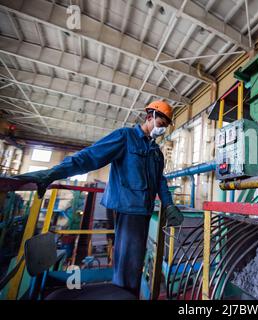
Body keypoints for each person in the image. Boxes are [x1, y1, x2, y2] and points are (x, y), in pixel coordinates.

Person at [15, 100, 184, 296]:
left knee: (133, 262)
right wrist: (53, 173)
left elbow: (160, 181)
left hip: (143, 211)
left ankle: (125, 293)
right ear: (149, 117)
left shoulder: (156, 153)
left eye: (164, 126)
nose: (162, 130)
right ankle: (125, 296)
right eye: (161, 125)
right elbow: (90, 157)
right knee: (129, 265)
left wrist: (169, 204)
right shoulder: (125, 137)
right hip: (128, 209)